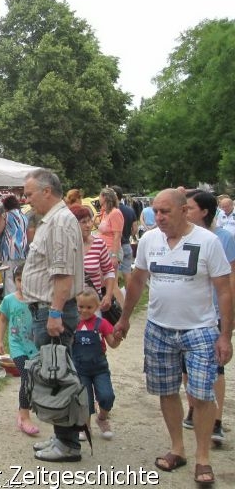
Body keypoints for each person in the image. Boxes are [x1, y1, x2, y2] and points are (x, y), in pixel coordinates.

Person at [114, 188, 232, 486]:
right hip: (158, 327)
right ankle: (177, 448)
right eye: (156, 211)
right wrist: (124, 319)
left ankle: (203, 457)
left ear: (183, 210)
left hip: (200, 328)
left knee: (202, 393)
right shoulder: (149, 240)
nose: (159, 217)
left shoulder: (208, 242)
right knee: (166, 391)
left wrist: (225, 335)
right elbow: (138, 279)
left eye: (165, 211)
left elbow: (224, 289)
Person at [21, 169, 84, 462]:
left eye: (30, 193)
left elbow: (62, 273)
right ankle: (61, 436)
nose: (26, 199)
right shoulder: (53, 220)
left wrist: (55, 313)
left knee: (57, 376)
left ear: (47, 191)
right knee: (51, 374)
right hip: (47, 308)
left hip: (53, 309)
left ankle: (68, 444)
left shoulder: (59, 221)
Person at [181, 190, 235, 445]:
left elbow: (231, 279)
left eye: (189, 208)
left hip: (211, 314)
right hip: (184, 315)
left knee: (216, 368)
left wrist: (227, 316)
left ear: (204, 211)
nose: (185, 211)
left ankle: (215, 420)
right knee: (186, 367)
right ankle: (193, 407)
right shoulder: (180, 235)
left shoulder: (224, 238)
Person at [0, 264, 39, 437]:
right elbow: (3, 320)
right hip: (17, 346)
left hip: (33, 346)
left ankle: (27, 408)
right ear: (14, 281)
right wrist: (0, 340)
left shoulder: (36, 300)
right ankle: (24, 416)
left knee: (34, 377)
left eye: (26, 279)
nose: (23, 284)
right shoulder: (9, 300)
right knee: (26, 377)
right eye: (19, 280)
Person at [73, 289, 121, 441]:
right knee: (84, 399)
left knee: (107, 396)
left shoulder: (102, 324)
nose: (84, 310)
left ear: (97, 307)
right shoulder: (74, 325)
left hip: (99, 368)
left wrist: (118, 337)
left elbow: (112, 343)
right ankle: (85, 426)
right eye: (81, 307)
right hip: (80, 370)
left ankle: (102, 418)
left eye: (89, 307)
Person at [69, 205, 124, 316]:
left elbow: (108, 271)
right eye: (83, 222)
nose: (88, 225)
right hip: (70, 306)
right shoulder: (66, 246)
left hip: (92, 305)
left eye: (89, 221)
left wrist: (108, 295)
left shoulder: (98, 243)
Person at [0, 195, 28, 296]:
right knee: (20, 277)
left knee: (8, 277)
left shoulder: (5, 215)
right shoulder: (24, 216)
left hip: (9, 251)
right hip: (23, 251)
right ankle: (21, 299)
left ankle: (10, 301)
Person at [112, 186, 138, 287]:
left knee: (114, 275)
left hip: (115, 247)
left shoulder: (112, 211)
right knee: (127, 273)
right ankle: (129, 297)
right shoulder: (130, 210)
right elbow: (135, 229)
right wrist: (127, 235)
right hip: (127, 245)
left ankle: (117, 299)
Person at [94, 187, 124, 271]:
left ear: (105, 198)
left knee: (111, 280)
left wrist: (114, 255)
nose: (98, 198)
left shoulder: (115, 213)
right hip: (104, 250)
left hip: (111, 250)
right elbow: (103, 229)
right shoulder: (105, 212)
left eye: (100, 196)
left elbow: (117, 235)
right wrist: (94, 219)